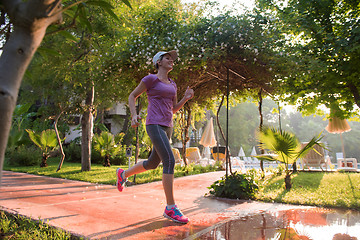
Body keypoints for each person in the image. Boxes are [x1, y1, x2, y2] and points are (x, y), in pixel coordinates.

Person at [116, 50, 194, 224]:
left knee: (152, 163)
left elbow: (173, 109)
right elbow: (132, 96)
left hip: (168, 125)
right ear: (159, 62)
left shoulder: (172, 84)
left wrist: (185, 98)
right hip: (154, 124)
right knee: (170, 160)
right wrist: (134, 115)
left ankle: (123, 174)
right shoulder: (151, 79)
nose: (171, 60)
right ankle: (170, 207)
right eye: (167, 58)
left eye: (172, 59)